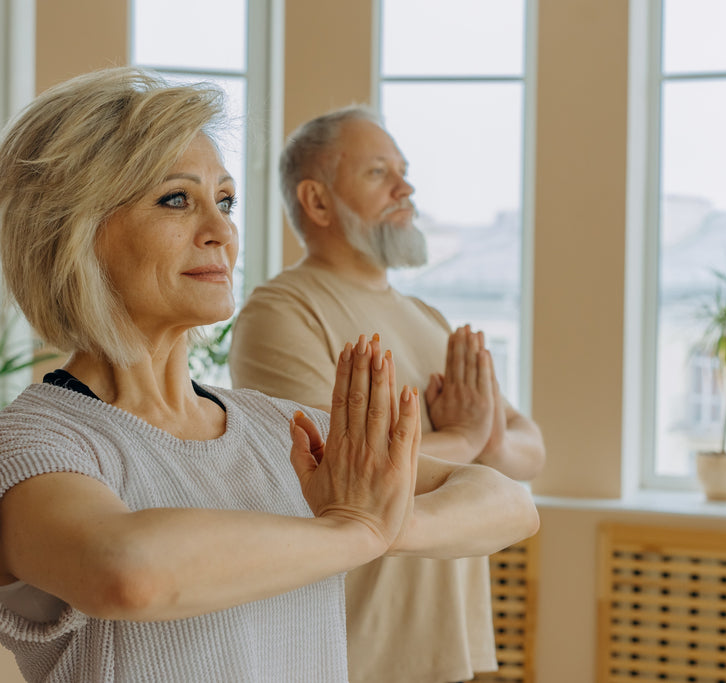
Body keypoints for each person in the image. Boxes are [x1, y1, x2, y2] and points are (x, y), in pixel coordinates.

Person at [0, 67, 539, 683]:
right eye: (177, 199)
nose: (222, 232)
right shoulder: (29, 447)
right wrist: (356, 528)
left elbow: (509, 502)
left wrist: (385, 524)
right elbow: (128, 572)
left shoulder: (274, 428)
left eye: (226, 201)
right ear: (75, 230)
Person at [229, 105, 546, 683]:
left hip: (454, 652)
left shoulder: (427, 316)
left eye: (403, 170)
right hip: (350, 652)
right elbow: (338, 467)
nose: (407, 187)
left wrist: (486, 441)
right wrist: (471, 437)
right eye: (379, 173)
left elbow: (530, 450)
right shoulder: (281, 312)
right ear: (317, 201)